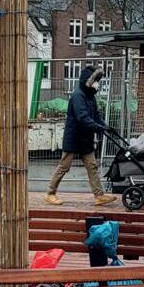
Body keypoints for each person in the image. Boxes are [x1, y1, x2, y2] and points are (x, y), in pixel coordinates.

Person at [44, 65, 117, 206]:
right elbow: (82, 117)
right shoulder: (78, 96)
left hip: (85, 138)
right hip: (73, 137)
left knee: (92, 166)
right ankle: (50, 193)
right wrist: (99, 128)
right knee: (64, 166)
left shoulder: (90, 97)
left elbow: (96, 115)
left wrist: (105, 126)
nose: (97, 84)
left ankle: (99, 195)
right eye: (95, 81)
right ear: (88, 81)